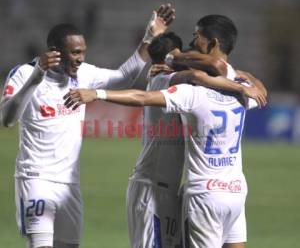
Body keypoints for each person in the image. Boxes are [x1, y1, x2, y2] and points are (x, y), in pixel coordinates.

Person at [63, 15, 267, 248]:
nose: (192, 48)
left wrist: (171, 55)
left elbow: (206, 70)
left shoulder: (192, 90)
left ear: (212, 44)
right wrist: (241, 83)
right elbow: (213, 73)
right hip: (153, 188)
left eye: (196, 40)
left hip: (186, 191)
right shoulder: (168, 80)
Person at [0, 4, 176, 248]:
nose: (80, 58)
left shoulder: (83, 74)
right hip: (36, 178)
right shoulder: (23, 74)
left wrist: (150, 36)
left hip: (70, 184)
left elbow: (124, 75)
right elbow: (7, 119)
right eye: (74, 53)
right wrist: (37, 75)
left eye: (82, 52)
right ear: (55, 52)